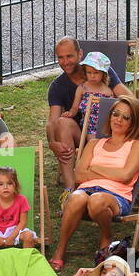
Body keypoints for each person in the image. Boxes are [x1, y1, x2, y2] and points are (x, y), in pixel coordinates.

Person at [48, 95, 139, 271]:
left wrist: (95, 170)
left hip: (117, 196)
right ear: (110, 116)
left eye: (126, 117)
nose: (119, 120)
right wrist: (111, 173)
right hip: (86, 190)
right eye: (116, 114)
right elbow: (78, 175)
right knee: (76, 197)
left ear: (133, 122)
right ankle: (60, 250)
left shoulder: (136, 146)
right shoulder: (94, 143)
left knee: (97, 200)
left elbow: (125, 176)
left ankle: (106, 236)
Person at [45, 37, 132, 186]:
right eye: (60, 57)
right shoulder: (57, 86)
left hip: (109, 133)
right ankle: (71, 189)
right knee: (62, 123)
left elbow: (129, 98)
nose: (65, 62)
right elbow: (52, 121)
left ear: (80, 54)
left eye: (69, 56)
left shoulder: (100, 70)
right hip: (82, 136)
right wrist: (52, 142)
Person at [0, 166, 37, 253]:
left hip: (15, 230)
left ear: (15, 185)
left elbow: (23, 222)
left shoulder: (21, 200)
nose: (5, 187)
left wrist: (12, 237)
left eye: (9, 183)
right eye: (1, 184)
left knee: (29, 236)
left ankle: (25, 261)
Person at [63, 52, 117, 143]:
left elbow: (111, 110)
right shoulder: (82, 88)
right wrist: (70, 113)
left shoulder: (108, 92)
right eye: (89, 72)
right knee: (93, 142)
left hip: (105, 125)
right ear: (85, 72)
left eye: (96, 72)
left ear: (103, 73)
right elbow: (75, 107)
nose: (92, 76)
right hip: (88, 125)